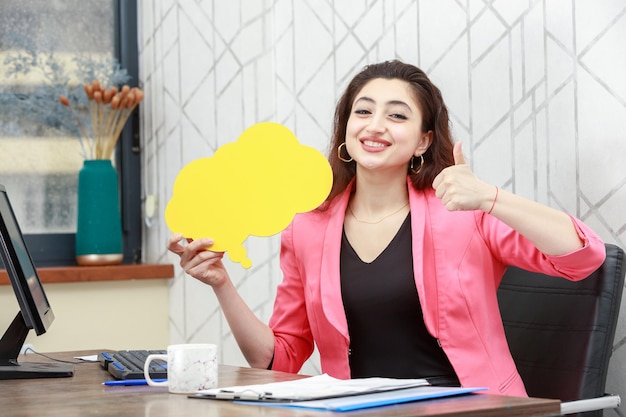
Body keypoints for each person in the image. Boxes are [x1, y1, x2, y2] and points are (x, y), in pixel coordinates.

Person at [167, 60, 606, 396]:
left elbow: (583, 257)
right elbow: (277, 358)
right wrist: (221, 283)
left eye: (397, 116)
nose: (375, 126)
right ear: (346, 129)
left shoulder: (463, 210)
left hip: (468, 406)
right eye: (363, 112)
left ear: (423, 140)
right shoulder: (307, 227)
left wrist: (491, 198)